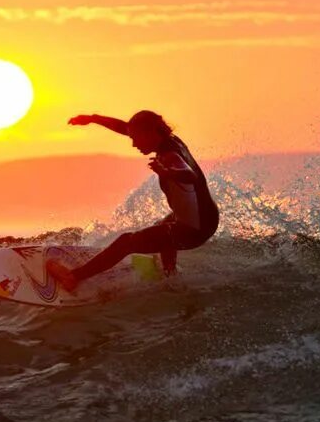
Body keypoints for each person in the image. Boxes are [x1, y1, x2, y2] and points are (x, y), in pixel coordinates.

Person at [46, 110, 219, 292]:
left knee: (126, 242)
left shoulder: (170, 156)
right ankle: (170, 274)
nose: (134, 144)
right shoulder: (171, 140)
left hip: (195, 229)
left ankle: (72, 277)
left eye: (136, 138)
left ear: (151, 132)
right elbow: (124, 127)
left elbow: (189, 175)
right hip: (206, 218)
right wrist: (93, 119)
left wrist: (168, 172)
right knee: (163, 226)